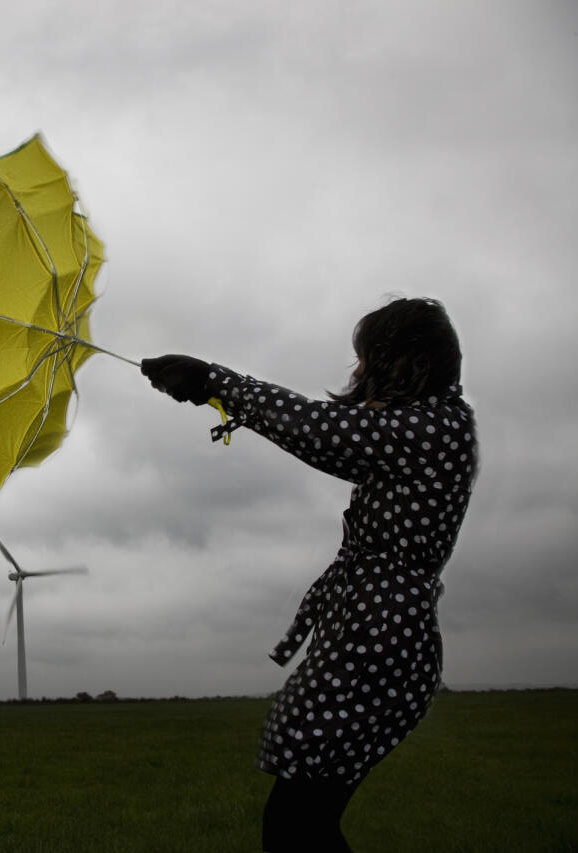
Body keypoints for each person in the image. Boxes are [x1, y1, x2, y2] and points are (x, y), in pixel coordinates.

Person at [141, 297, 477, 852]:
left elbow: (320, 431)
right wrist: (212, 386)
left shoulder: (432, 426)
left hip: (378, 644)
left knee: (296, 826)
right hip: (372, 636)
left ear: (405, 360)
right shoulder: (437, 422)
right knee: (303, 824)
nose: (358, 372)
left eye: (367, 359)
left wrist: (213, 381)